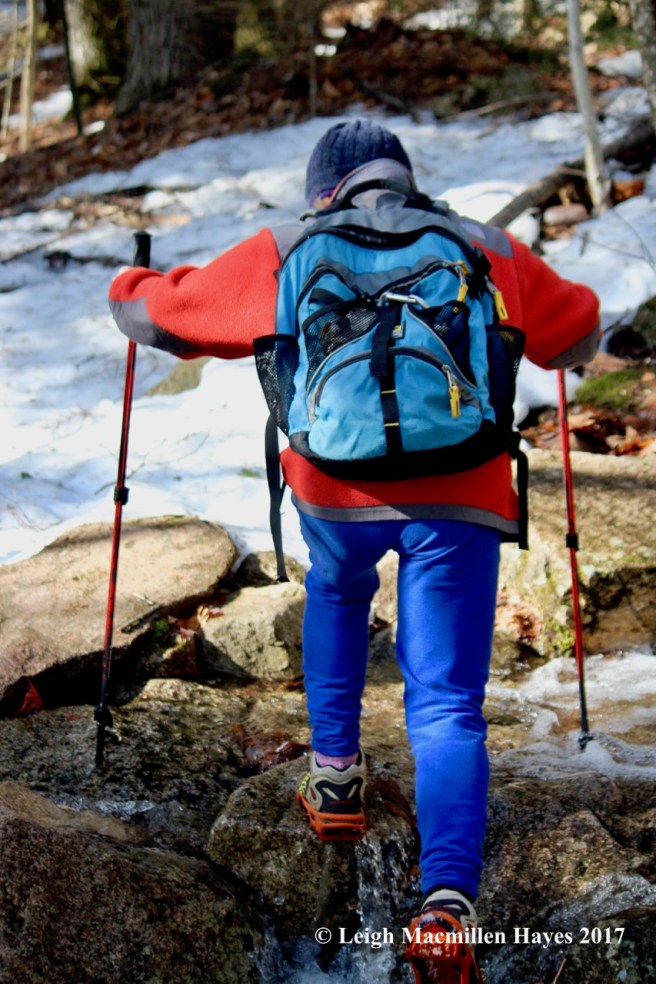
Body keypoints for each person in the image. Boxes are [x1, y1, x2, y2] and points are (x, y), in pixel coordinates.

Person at [108, 118, 600, 983]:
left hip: (336, 490)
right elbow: (577, 331)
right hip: (461, 489)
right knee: (447, 705)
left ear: (322, 189)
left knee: (336, 592)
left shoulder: (286, 244)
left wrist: (132, 281)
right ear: (403, 181)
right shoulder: (479, 243)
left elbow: (165, 317)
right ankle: (447, 906)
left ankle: (335, 781)